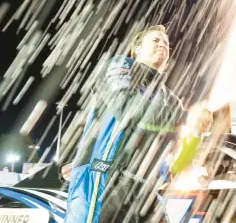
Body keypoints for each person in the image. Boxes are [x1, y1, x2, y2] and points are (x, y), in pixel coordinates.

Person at [64, 25, 213, 223]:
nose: (163, 45)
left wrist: (196, 133)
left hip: (144, 188)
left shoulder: (170, 99)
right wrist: (186, 118)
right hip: (102, 177)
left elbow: (178, 161)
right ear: (138, 50)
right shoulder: (120, 66)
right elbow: (128, 109)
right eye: (156, 40)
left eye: (167, 43)